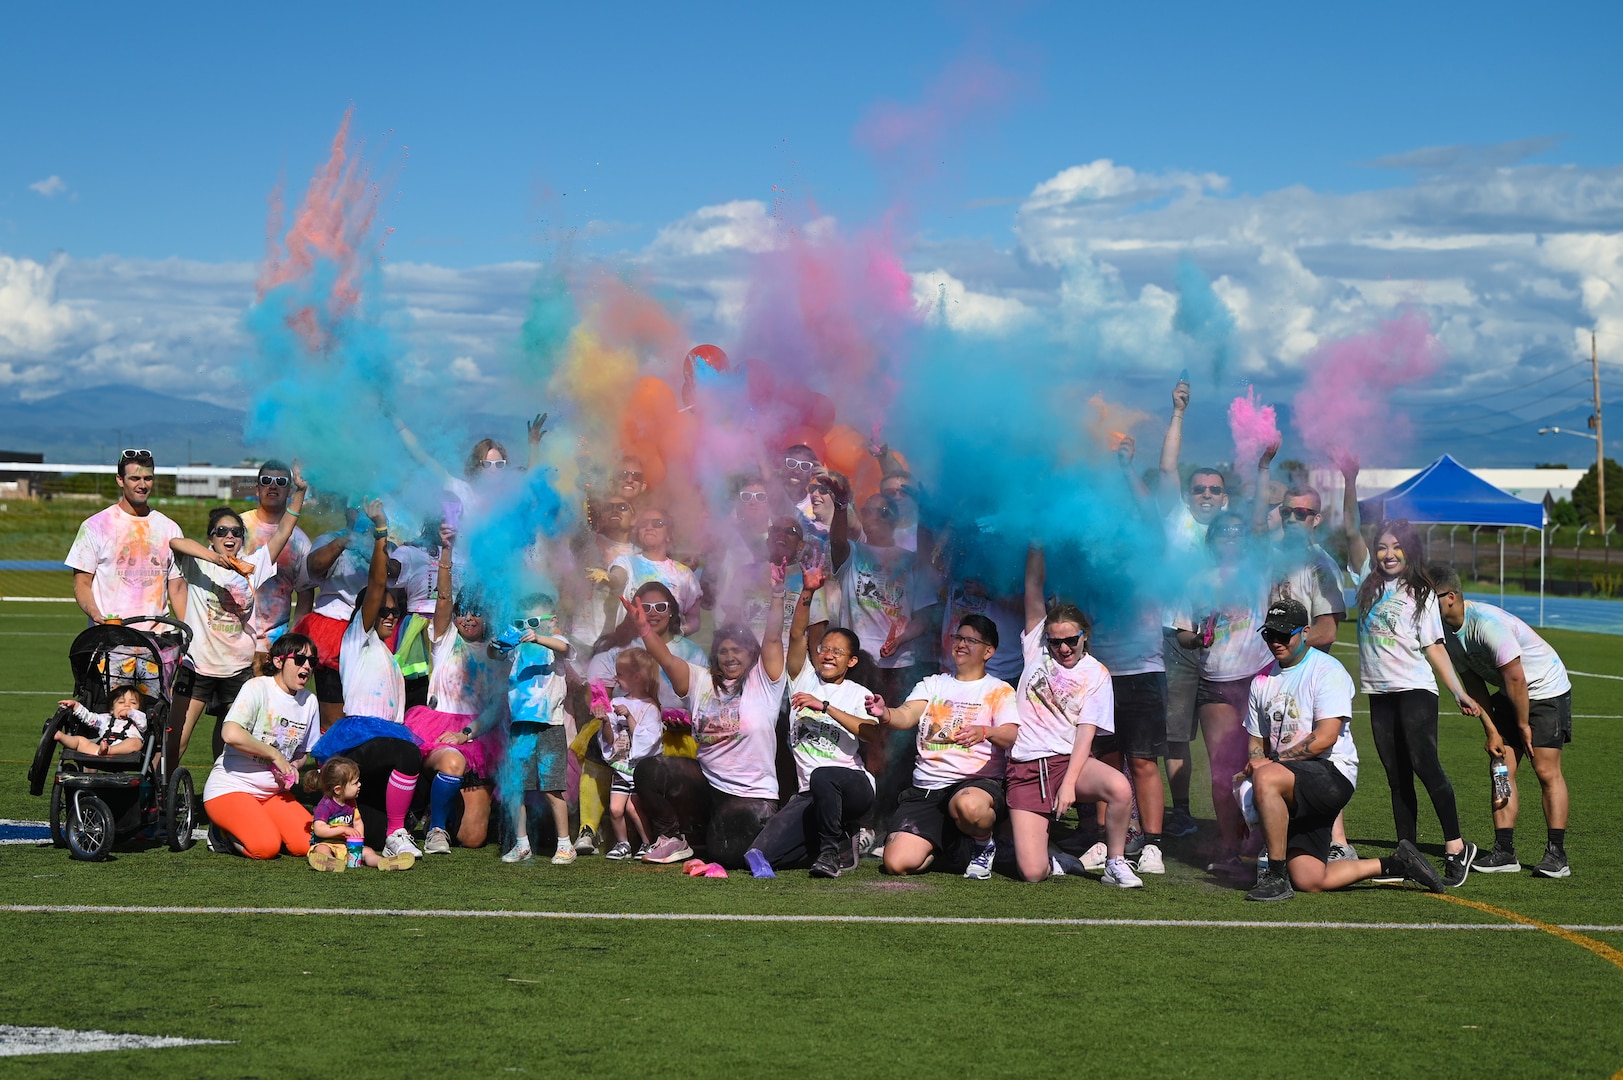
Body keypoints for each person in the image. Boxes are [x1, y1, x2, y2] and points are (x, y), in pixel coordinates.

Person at [1242, 600, 1446, 900]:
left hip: (1332, 775)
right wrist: (1251, 774)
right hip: (1293, 782)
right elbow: (1256, 742)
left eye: (1283, 635)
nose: (1275, 642)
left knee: (1267, 777)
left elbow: (1325, 738)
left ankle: (1274, 875)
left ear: (1305, 632)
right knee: (1310, 878)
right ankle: (1396, 863)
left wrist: (1269, 765)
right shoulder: (1261, 681)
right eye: (1269, 634)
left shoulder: (1327, 670)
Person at [1356, 520, 1483, 887]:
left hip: (1414, 690)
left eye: (1397, 546)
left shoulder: (1422, 592)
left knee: (1425, 766)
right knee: (1396, 777)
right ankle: (1405, 856)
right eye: (1382, 546)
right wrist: (1350, 483)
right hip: (1379, 693)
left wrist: (1458, 692)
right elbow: (1351, 531)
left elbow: (1434, 647)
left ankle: (1457, 847)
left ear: (1410, 550)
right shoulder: (1368, 581)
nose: (1389, 553)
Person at [1009, 546, 1142, 887]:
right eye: (1056, 643)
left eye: (1071, 640)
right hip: (1026, 766)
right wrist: (1038, 538)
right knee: (1033, 873)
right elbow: (1033, 587)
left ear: (1085, 636)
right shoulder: (1036, 649)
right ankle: (1053, 858)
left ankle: (1115, 861)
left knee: (1119, 786)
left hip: (1069, 762)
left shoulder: (1096, 674)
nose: (1064, 648)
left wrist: (1068, 783)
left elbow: (1086, 734)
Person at [627, 595, 788, 869]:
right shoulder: (700, 679)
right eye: (724, 651)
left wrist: (776, 596)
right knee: (649, 770)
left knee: (725, 855)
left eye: (737, 650)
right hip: (706, 782)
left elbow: (773, 639)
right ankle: (673, 838)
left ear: (751, 653)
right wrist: (644, 628)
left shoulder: (764, 682)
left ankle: (710, 836)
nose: (730, 656)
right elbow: (665, 658)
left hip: (750, 794)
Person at [1432, 567, 1573, 878]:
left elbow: (1517, 677)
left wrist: (1522, 725)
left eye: (1430, 598)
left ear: (1451, 597)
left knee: (1546, 769)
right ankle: (1505, 851)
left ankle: (1557, 854)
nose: (1423, 606)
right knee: (1500, 767)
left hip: (1544, 688)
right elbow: (1474, 682)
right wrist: (1492, 730)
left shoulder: (1487, 625)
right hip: (1511, 692)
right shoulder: (1444, 631)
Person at [744, 565, 879, 879]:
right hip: (811, 793)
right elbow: (796, 634)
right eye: (825, 649)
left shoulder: (859, 694)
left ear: (852, 661)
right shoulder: (803, 678)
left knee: (824, 775)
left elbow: (871, 735)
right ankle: (841, 841)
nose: (828, 655)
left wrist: (825, 707)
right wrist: (807, 592)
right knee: (758, 857)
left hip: (853, 788)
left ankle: (830, 853)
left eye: (838, 652)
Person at [310, 500, 426, 860]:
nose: (391, 615)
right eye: (384, 611)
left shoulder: (390, 658)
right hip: (360, 741)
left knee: (369, 832)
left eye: (397, 611)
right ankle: (397, 831)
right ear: (367, 613)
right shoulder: (358, 639)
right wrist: (380, 533)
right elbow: (378, 583)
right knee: (408, 753)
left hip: (382, 749)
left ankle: (342, 840)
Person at [168, 466, 308, 761]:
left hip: (237, 669)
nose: (229, 536)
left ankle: (219, 794)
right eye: (221, 532)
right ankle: (157, 797)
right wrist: (215, 558)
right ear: (212, 537)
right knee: (177, 737)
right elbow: (176, 543)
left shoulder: (253, 567)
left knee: (229, 741)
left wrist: (301, 492)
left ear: (242, 538)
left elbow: (284, 530)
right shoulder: (199, 564)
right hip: (198, 666)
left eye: (235, 532)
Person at [866, 613, 1019, 880]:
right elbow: (906, 715)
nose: (960, 644)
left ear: (989, 651)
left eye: (970, 640)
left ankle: (983, 845)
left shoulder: (1000, 690)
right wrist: (884, 713)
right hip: (926, 789)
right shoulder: (933, 683)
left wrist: (985, 732)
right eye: (958, 637)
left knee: (970, 807)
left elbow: (1010, 735)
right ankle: (954, 848)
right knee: (896, 864)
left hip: (974, 784)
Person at [1173, 511, 1275, 877]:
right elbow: (1183, 631)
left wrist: (1262, 467)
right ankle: (1231, 847)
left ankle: (1266, 846)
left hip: (1259, 678)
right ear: (1211, 540)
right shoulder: (1196, 583)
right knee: (1222, 771)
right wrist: (1196, 639)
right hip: (1215, 681)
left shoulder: (1259, 571)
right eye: (1223, 533)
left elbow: (1262, 519)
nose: (1231, 538)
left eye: (1237, 532)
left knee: (1265, 764)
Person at [1155, 378, 1229, 839]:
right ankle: (1181, 811)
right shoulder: (1176, 518)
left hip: (1228, 647)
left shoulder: (1233, 529)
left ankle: (1229, 814)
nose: (1204, 494)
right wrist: (1179, 412)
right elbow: (1166, 470)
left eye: (1213, 489)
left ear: (1224, 497)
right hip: (1176, 642)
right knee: (1176, 734)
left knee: (1224, 738)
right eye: (1198, 488)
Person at [403, 537, 509, 855]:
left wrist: (467, 734)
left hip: (477, 736)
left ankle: (439, 809)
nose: (467, 618)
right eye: (463, 612)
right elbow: (445, 597)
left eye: (476, 612)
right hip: (436, 729)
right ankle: (435, 827)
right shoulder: (446, 638)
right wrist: (446, 553)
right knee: (451, 759)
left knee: (473, 838)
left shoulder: (498, 654)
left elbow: (495, 707)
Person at [200, 634, 321, 860]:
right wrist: (274, 754)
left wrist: (293, 765)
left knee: (306, 844)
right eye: (300, 659)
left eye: (312, 662)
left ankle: (258, 821)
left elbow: (303, 753)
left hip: (273, 794)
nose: (307, 666)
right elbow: (230, 733)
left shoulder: (310, 702)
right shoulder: (257, 687)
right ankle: (220, 832)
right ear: (278, 662)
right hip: (232, 787)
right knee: (265, 847)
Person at [494, 598, 575, 866]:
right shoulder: (518, 649)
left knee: (552, 788)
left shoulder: (555, 643)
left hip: (550, 725)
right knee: (517, 787)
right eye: (522, 623)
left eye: (533, 622)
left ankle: (565, 845)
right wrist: (497, 644)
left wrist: (538, 637)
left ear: (552, 621)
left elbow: (563, 646)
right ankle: (521, 843)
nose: (527, 629)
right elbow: (494, 653)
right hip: (521, 725)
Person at [66, 448, 185, 624]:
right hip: (110, 639)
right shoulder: (94, 526)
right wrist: (95, 614)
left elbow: (178, 588)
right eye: (135, 478)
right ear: (120, 480)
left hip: (155, 643)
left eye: (148, 478)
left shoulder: (170, 528)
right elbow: (82, 583)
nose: (142, 485)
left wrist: (191, 634)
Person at [240, 460, 314, 673]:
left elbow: (305, 595)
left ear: (290, 490)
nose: (273, 486)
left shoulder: (300, 541)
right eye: (266, 481)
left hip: (276, 646)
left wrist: (292, 639)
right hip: (235, 640)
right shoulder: (236, 528)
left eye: (280, 481)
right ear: (257, 488)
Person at [595, 649, 662, 860]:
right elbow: (609, 740)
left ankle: (647, 842)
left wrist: (629, 716)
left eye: (620, 674)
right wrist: (605, 721)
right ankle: (623, 843)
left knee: (633, 809)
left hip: (640, 769)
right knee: (615, 809)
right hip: (621, 767)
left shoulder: (650, 706)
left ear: (637, 677)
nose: (615, 678)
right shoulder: (614, 703)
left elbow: (647, 740)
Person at [306, 756, 416, 871]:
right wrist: (343, 830)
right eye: (355, 783)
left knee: (368, 851)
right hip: (327, 843)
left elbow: (357, 821)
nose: (359, 785)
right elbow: (319, 829)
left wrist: (358, 839)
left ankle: (383, 862)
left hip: (347, 845)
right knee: (322, 849)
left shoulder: (351, 803)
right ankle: (329, 862)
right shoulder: (325, 806)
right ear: (338, 789)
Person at [610, 506, 703, 633]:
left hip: (668, 650)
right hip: (630, 648)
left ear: (669, 535)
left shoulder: (684, 573)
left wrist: (678, 634)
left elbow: (694, 620)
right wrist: (609, 579)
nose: (649, 527)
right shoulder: (626, 562)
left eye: (657, 523)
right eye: (643, 524)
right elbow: (617, 577)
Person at [53, 686, 145, 757]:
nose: (127, 705)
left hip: (124, 750)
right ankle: (60, 736)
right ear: (112, 709)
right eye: (121, 702)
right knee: (80, 740)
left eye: (133, 703)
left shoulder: (138, 720)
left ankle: (108, 750)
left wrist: (130, 713)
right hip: (100, 748)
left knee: (136, 743)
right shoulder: (106, 718)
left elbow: (143, 724)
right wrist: (76, 706)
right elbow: (89, 718)